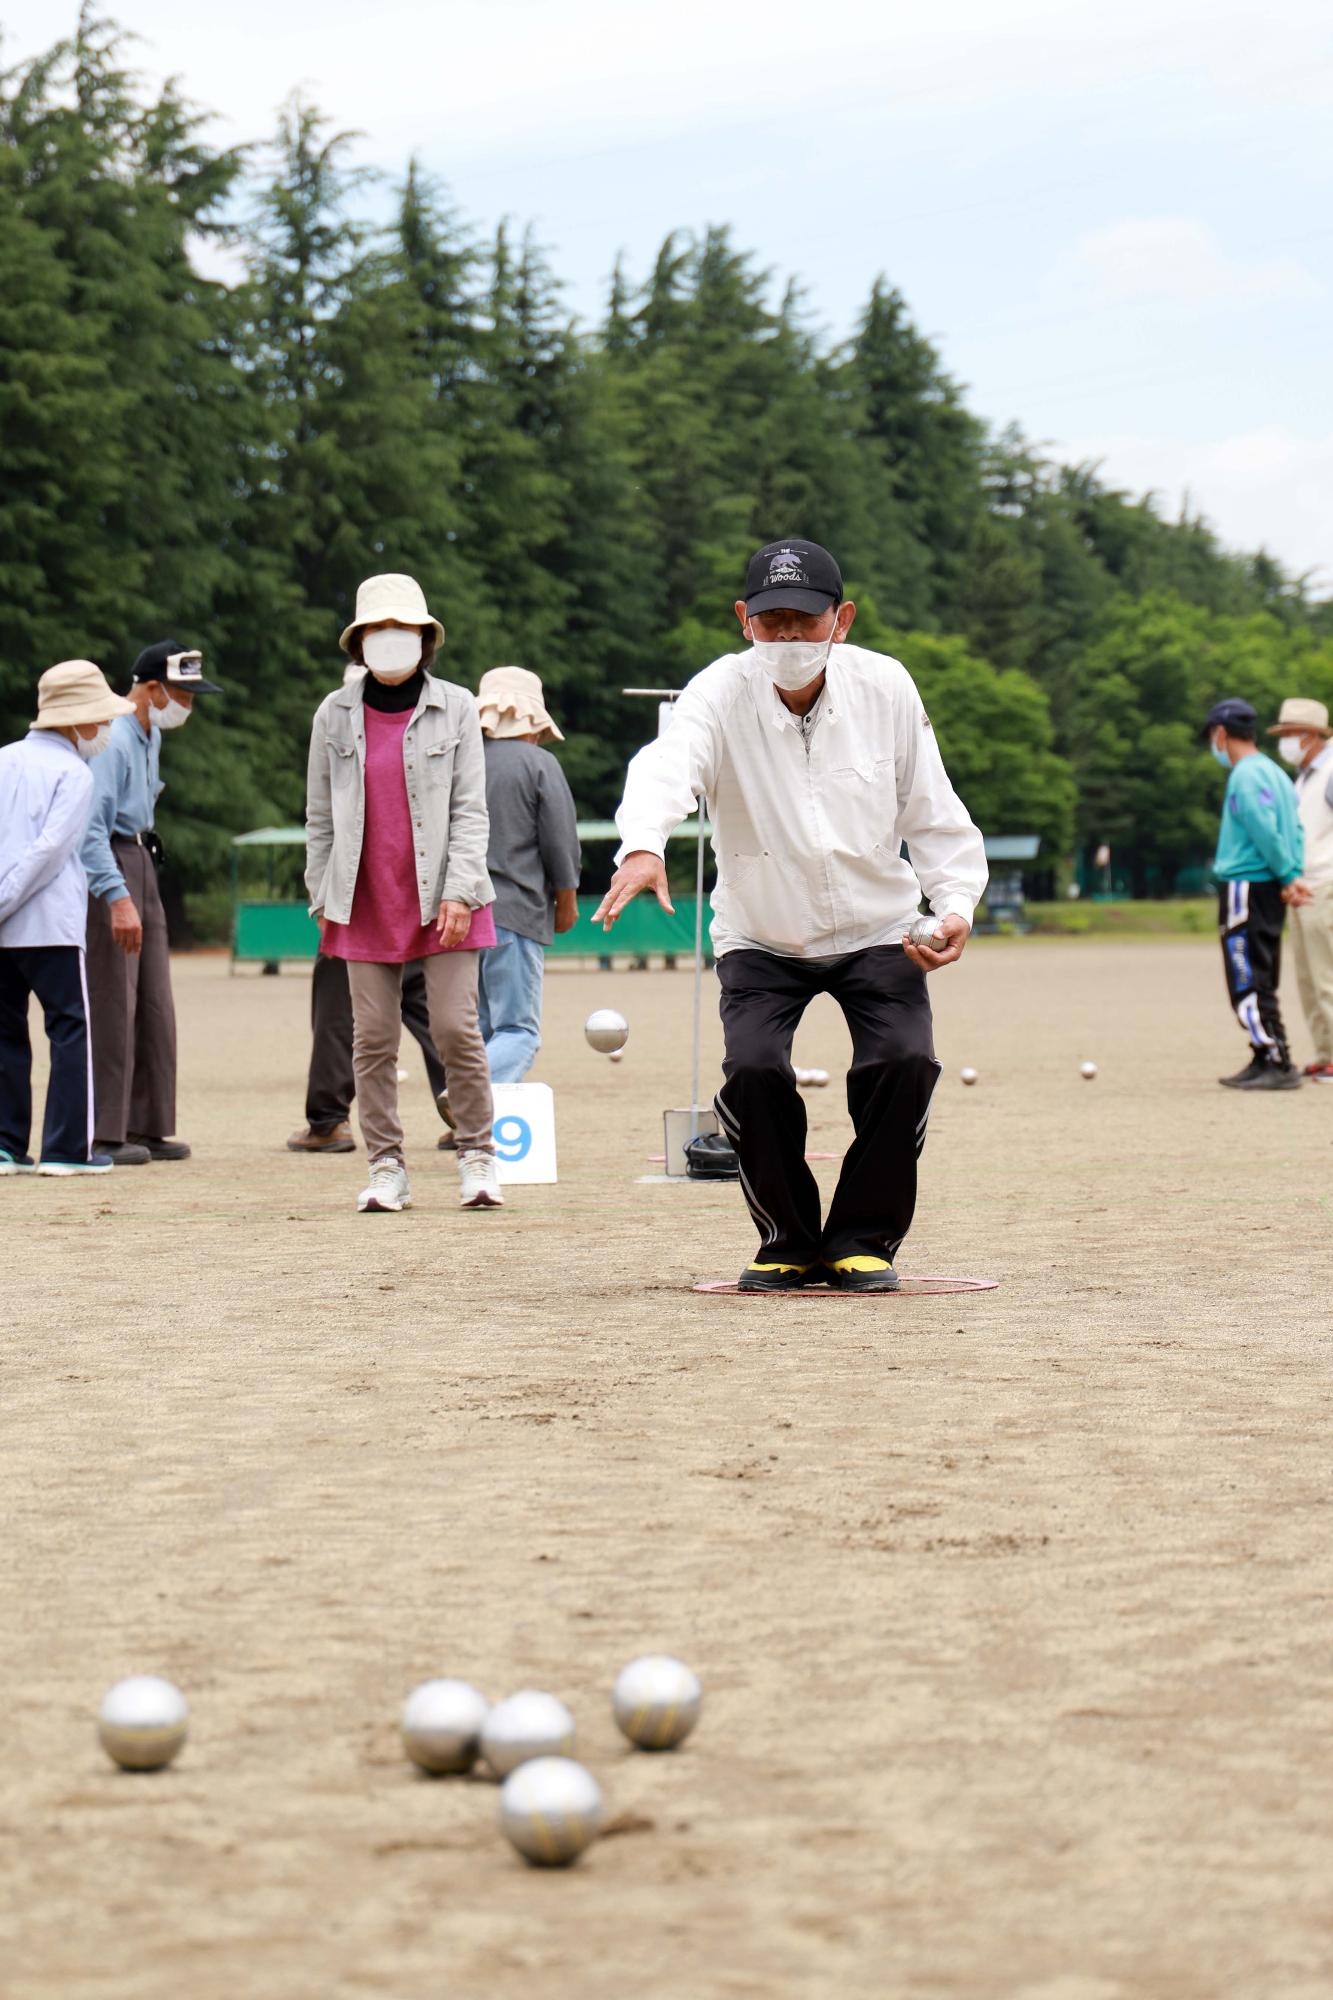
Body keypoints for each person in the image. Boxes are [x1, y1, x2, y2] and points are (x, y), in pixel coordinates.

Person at [595, 537, 987, 1293]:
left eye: (803, 623)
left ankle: (862, 1237)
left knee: (903, 1062)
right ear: (743, 620)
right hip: (759, 931)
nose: (787, 639)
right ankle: (786, 1237)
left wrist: (955, 903)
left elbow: (931, 810)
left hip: (878, 924)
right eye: (770, 621)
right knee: (753, 1071)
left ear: (839, 621)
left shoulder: (887, 688)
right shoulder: (716, 691)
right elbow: (665, 766)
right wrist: (642, 847)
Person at [305, 571, 501, 1214]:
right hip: (360, 897)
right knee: (373, 1039)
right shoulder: (332, 715)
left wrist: (461, 890)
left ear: (424, 639)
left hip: (447, 892)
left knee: (455, 1028)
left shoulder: (458, 705)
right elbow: (320, 818)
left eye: (403, 630)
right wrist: (320, 894)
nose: (391, 641)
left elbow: (472, 808)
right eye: (377, 631)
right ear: (359, 643)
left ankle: (478, 1154)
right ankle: (386, 1165)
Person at [287, 668, 452, 1152]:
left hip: (358, 897)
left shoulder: (336, 723)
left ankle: (328, 1120)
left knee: (340, 1012)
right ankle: (462, 1111)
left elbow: (320, 819)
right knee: (432, 1010)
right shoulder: (428, 727)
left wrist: (321, 895)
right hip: (415, 894)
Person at [81, 640, 222, 1163]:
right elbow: (89, 830)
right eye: (183, 694)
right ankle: (105, 1131)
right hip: (111, 864)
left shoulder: (149, 736)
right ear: (152, 688)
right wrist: (115, 896)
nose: (188, 704)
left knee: (155, 1002)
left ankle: (147, 1123)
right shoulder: (113, 739)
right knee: (114, 999)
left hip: (142, 857)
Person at [1, 661, 135, 1176]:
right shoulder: (74, 773)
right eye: (99, 719)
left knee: (6, 1033)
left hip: (2, 931)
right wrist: (8, 896)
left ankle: (7, 1143)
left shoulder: (4, 759)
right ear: (79, 720)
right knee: (70, 1029)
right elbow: (51, 850)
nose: (103, 730)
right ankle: (66, 1148)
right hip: (49, 925)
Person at [474, 666, 581, 1083]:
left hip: (461, 916)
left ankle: (473, 1128)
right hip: (516, 912)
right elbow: (560, 842)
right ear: (534, 721)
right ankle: (470, 1089)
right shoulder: (540, 764)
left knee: (482, 1028)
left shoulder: (460, 763)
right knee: (518, 1031)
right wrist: (566, 904)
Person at [1204, 697, 1306, 1090]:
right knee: (1263, 971)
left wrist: (1285, 873)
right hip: (1267, 885)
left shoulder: (1245, 775)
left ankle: (1275, 1058)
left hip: (1245, 884)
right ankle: (1266, 1052)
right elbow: (1293, 829)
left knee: (1245, 972)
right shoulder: (1277, 774)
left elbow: (1263, 829)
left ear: (1221, 733)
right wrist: (1291, 873)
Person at [1268, 697, 1333, 1080]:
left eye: (1290, 734)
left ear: (1310, 736)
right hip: (1303, 886)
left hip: (1324, 884)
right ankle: (1325, 1051)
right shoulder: (1304, 777)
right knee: (1309, 977)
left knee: (1327, 974)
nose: (1286, 742)